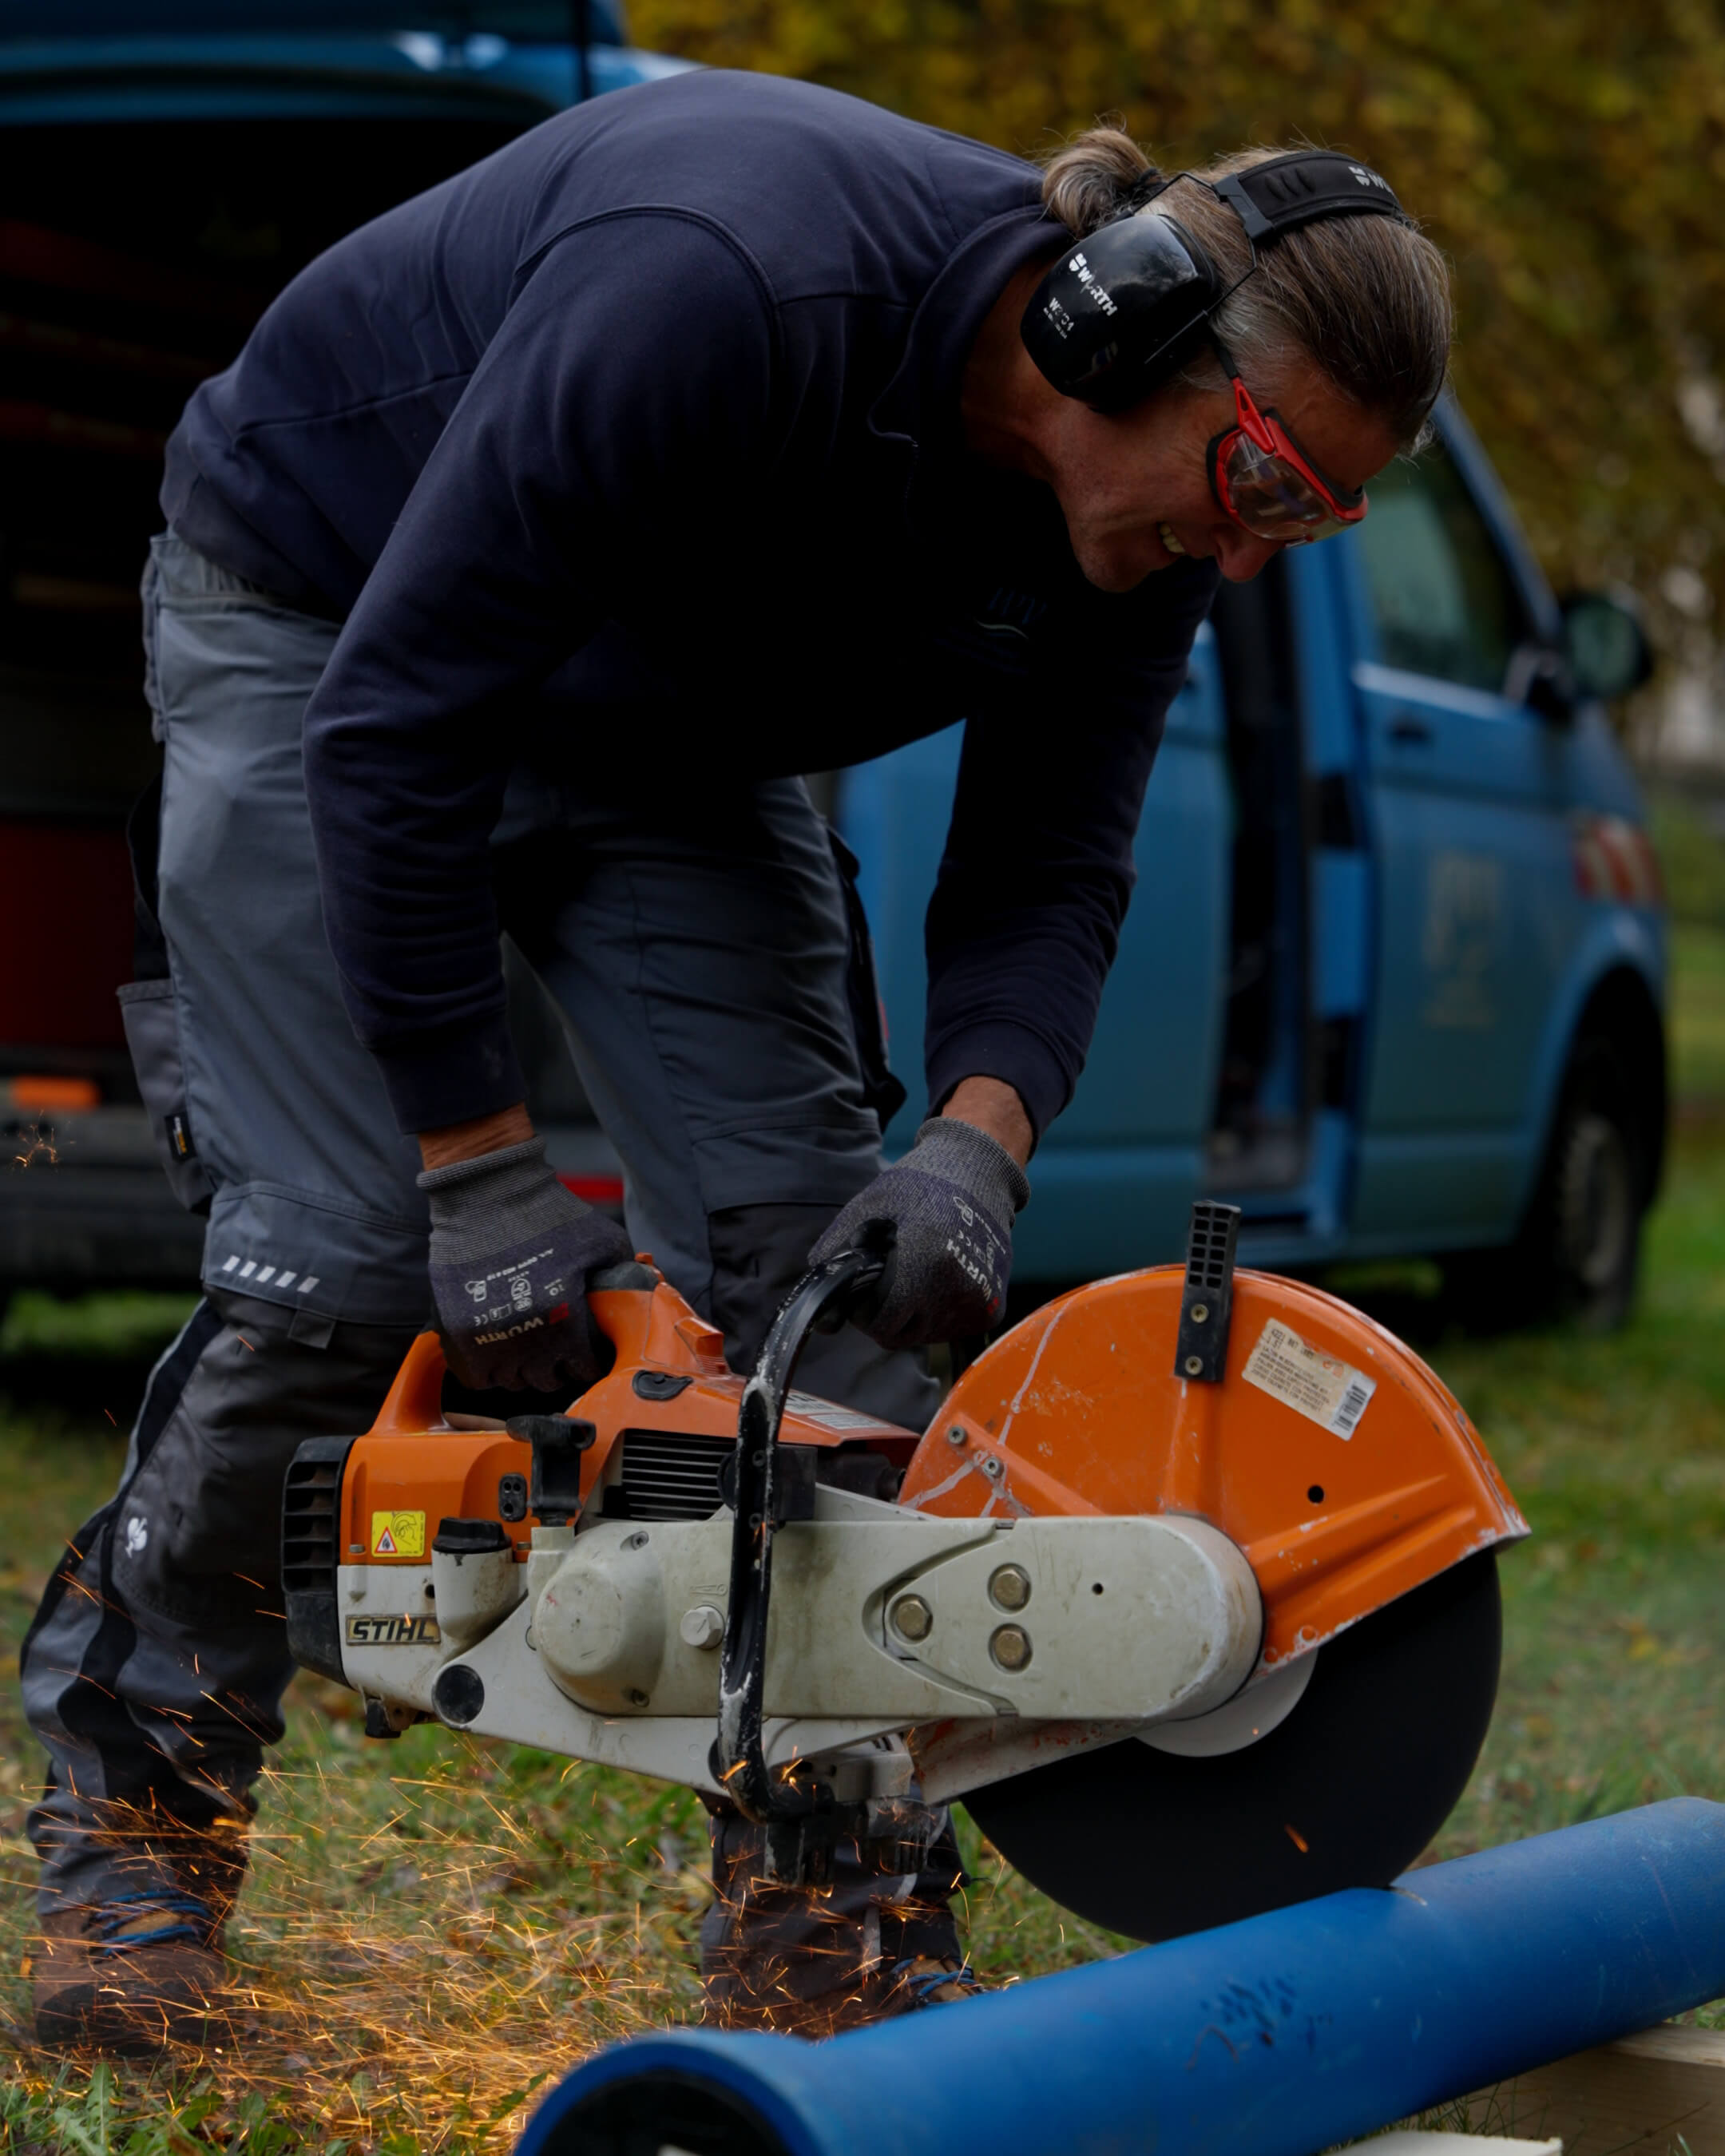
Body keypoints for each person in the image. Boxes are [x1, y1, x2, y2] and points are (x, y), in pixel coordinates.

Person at [20, 67, 1451, 2052]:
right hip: (323, 614)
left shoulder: (1131, 544)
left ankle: (828, 1904)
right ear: (1118, 328)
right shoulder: (726, 281)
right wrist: (474, 1162)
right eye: (1268, 483)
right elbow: (398, 725)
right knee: (340, 1264)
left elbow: (1054, 862)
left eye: (1316, 513)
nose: (1262, 551)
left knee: (830, 1283)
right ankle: (134, 1863)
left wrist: (971, 1145)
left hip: (668, 731)